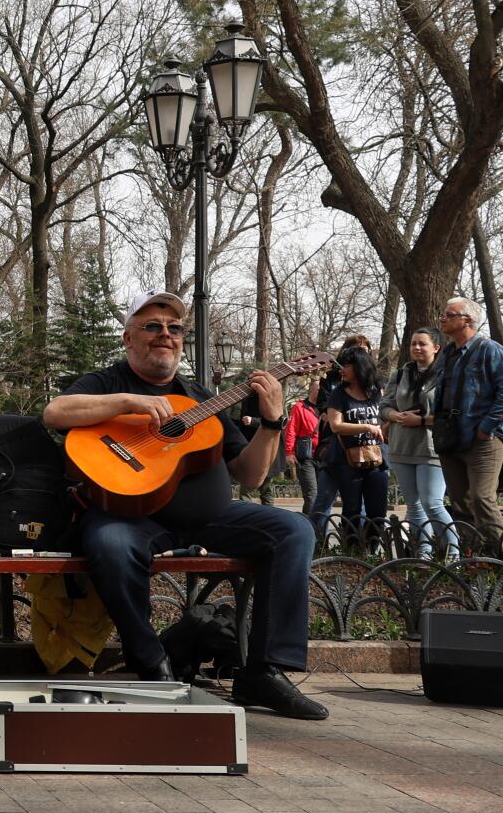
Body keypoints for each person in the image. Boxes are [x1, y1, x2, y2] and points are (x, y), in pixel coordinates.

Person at [45, 291, 327, 720]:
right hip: (131, 515)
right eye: (153, 326)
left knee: (294, 530)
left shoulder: (201, 398)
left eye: (174, 328)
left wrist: (272, 424)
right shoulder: (107, 382)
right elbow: (55, 412)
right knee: (110, 543)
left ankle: (264, 671)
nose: (166, 335)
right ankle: (151, 663)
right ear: (128, 338)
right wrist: (130, 402)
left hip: (208, 519)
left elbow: (250, 475)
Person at [432, 296, 503, 556]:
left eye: (449, 315)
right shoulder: (447, 353)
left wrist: (486, 428)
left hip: (483, 440)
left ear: (467, 320)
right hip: (450, 438)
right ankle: (476, 560)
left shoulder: (491, 350)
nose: (442, 319)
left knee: (482, 499)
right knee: (460, 503)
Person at [384, 327, 455, 559]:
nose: (416, 348)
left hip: (430, 447)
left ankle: (455, 553)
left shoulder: (446, 374)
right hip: (401, 446)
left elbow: (451, 414)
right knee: (413, 505)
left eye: (422, 344)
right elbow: (385, 405)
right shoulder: (401, 373)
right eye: (413, 343)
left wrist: (422, 420)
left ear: (436, 347)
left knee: (432, 503)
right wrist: (394, 416)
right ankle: (423, 552)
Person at [322, 346, 391, 548]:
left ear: (360, 366)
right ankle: (352, 551)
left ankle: (372, 549)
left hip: (377, 458)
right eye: (341, 364)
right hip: (347, 460)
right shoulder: (339, 394)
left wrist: (384, 425)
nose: (342, 368)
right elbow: (336, 425)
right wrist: (368, 426)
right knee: (352, 508)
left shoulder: (377, 391)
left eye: (347, 364)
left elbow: (386, 416)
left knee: (377, 510)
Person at [281, 396, 319, 520]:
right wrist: (289, 452)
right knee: (311, 494)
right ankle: (310, 528)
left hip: (326, 455)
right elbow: (291, 430)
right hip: (306, 456)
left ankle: (320, 530)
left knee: (324, 495)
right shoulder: (299, 407)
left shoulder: (329, 405)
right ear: (314, 390)